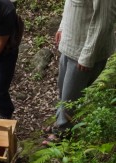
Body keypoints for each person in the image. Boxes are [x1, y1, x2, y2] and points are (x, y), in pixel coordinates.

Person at [43, 0, 116, 144]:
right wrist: (62, 27)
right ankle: (60, 122)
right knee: (63, 90)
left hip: (84, 50)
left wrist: (88, 56)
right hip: (71, 43)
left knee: (72, 95)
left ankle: (63, 133)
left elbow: (104, 20)